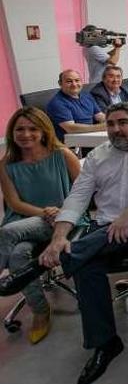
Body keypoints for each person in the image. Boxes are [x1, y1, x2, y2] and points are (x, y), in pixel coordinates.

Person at [5, 103, 128, 384]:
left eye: (123, 122)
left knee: (123, 231)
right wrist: (59, 237)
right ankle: (105, 344)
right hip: (105, 234)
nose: (116, 129)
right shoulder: (98, 155)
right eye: (110, 124)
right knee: (85, 265)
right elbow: (77, 197)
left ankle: (37, 268)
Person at [0, 108, 84, 344]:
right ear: (11, 133)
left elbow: (84, 191)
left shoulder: (62, 155)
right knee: (17, 255)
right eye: (20, 129)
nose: (26, 134)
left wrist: (60, 212)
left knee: (5, 233)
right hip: (26, 219)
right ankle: (40, 310)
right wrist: (44, 212)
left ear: (44, 131)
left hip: (65, 218)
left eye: (32, 129)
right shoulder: (6, 164)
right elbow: (14, 203)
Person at [46, 69, 106, 142]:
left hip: (90, 138)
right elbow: (71, 128)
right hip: (73, 145)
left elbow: (100, 116)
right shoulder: (57, 103)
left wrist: (114, 122)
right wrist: (100, 127)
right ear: (60, 83)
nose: (74, 84)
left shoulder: (87, 96)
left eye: (77, 80)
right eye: (69, 81)